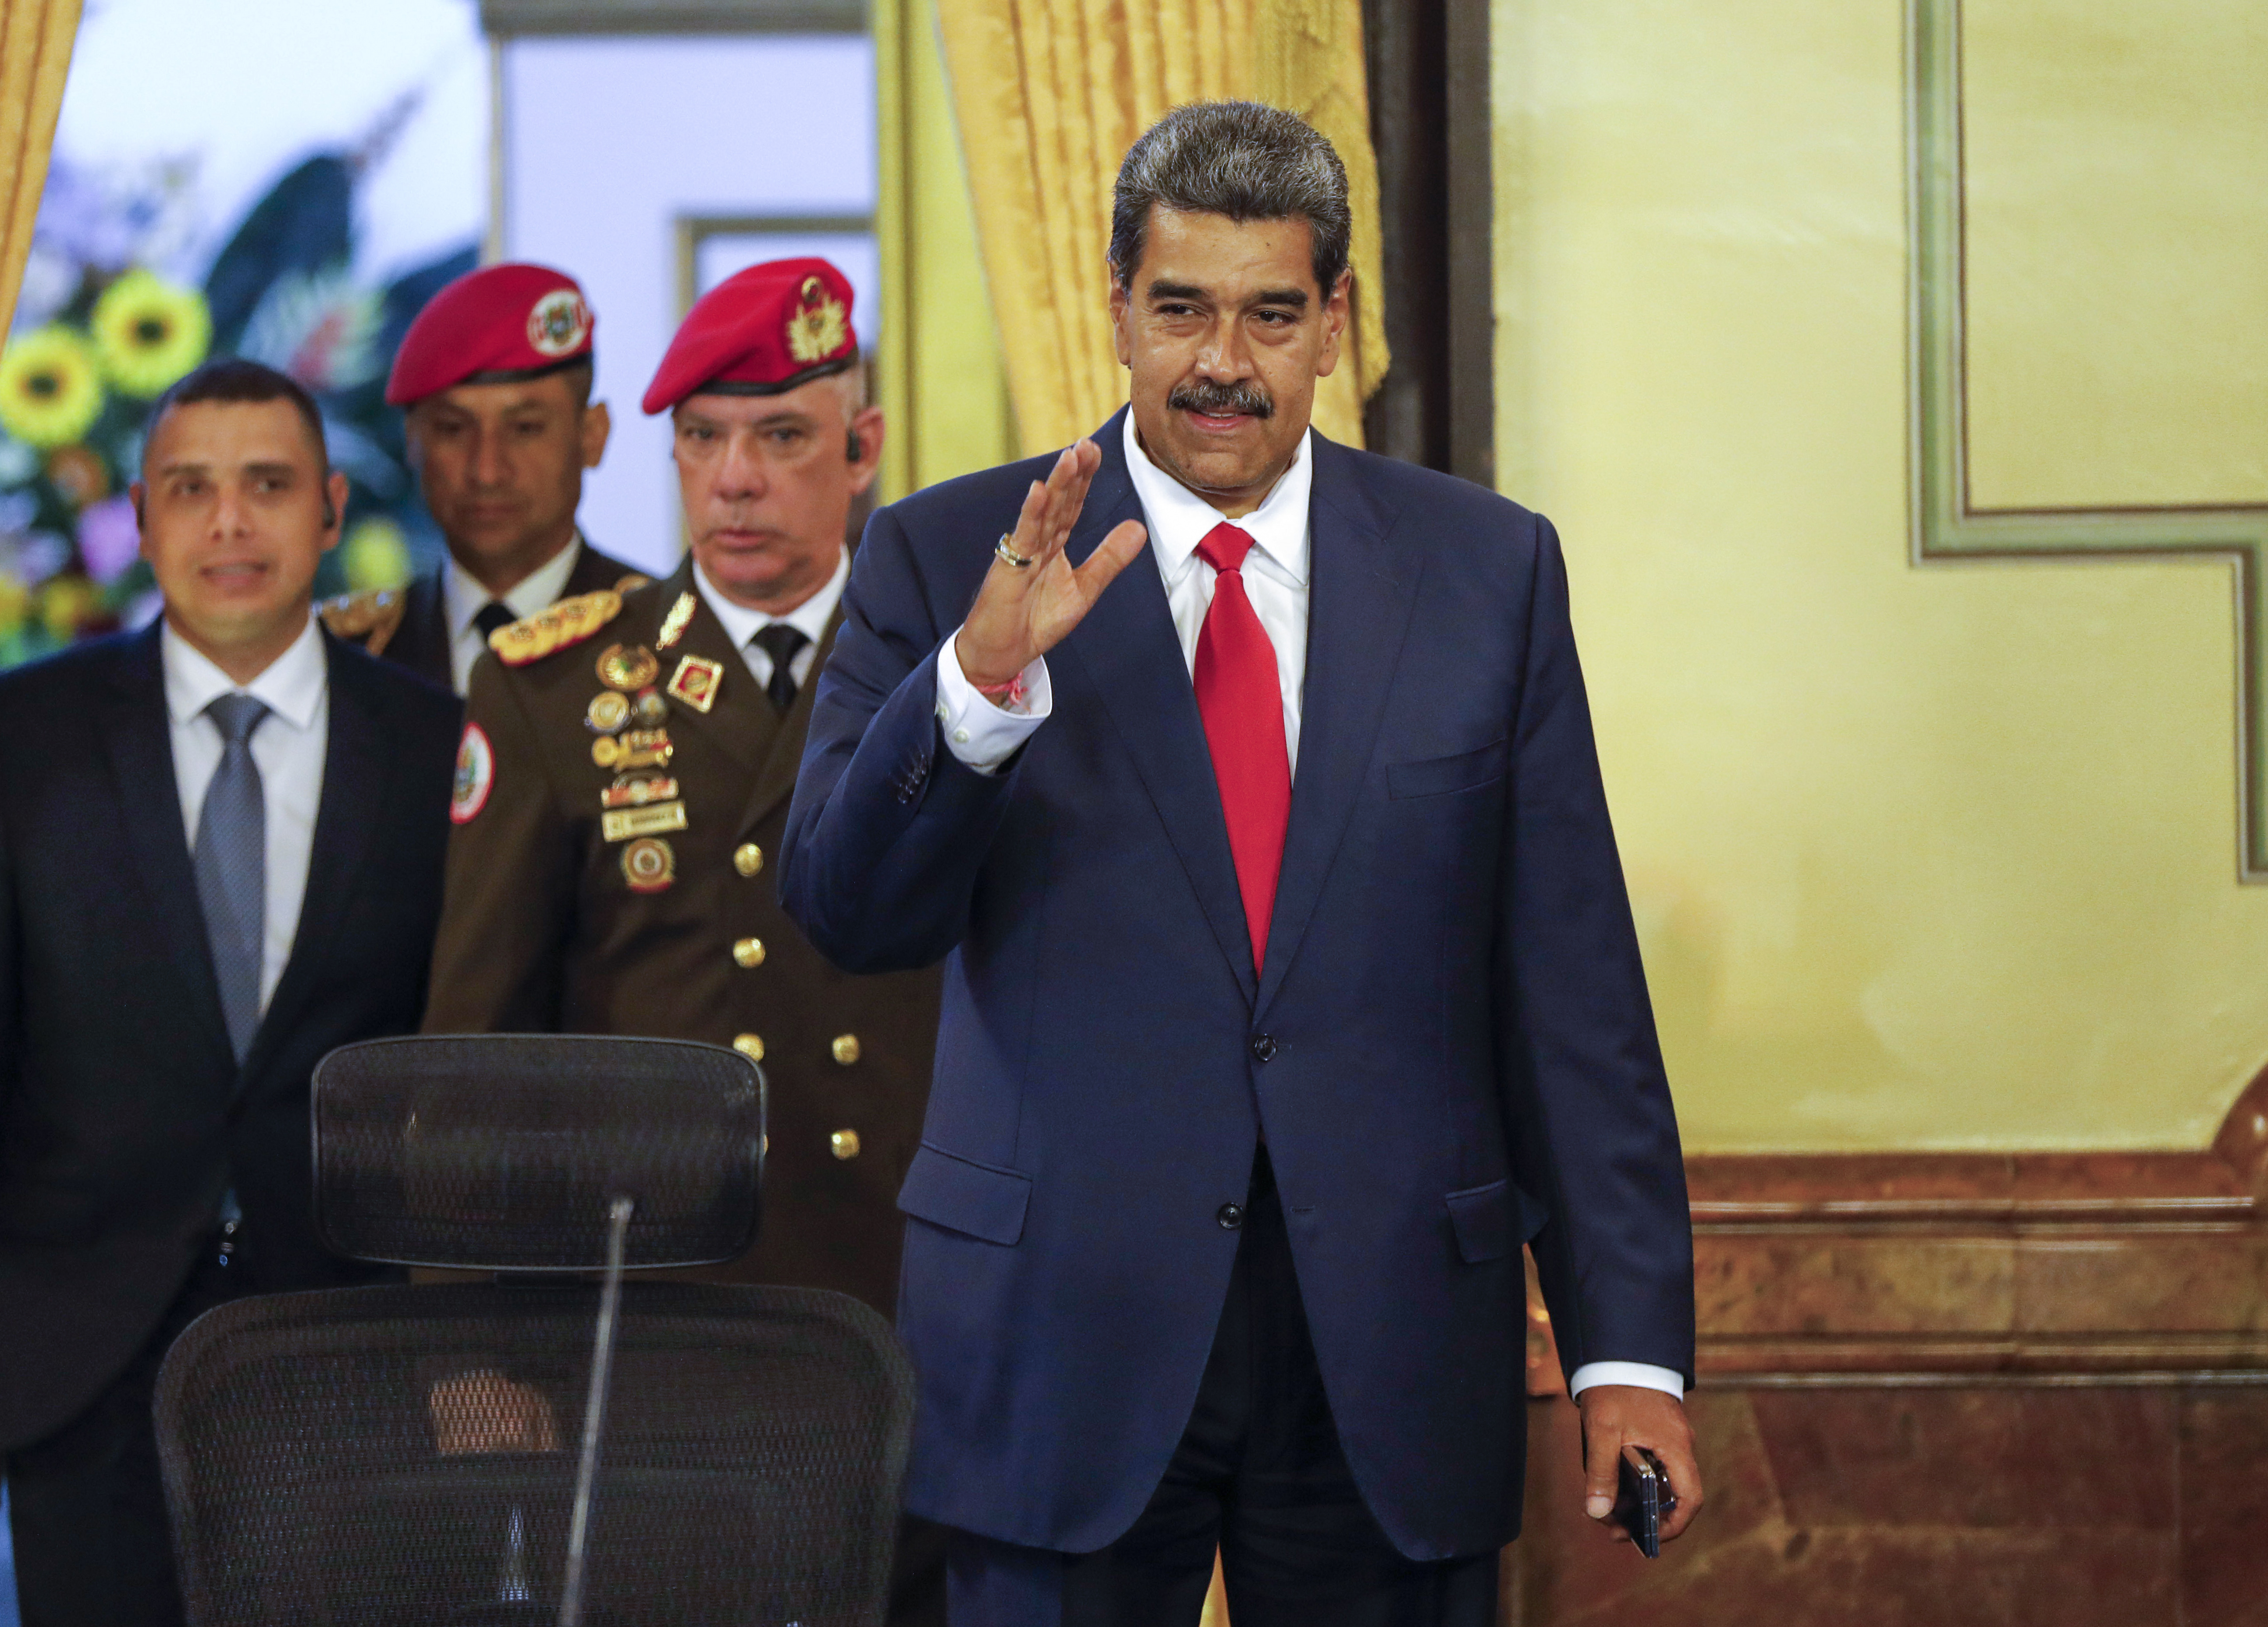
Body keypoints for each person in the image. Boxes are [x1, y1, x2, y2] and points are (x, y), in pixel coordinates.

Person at [780, 102, 1702, 1626]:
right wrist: (976, 691)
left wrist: (1627, 1351)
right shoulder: (950, 559)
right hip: (1061, 1337)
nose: (1222, 361)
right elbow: (847, 912)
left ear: (1334, 322)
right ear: (1115, 310)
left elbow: (1570, 989)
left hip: (1391, 1340)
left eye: (1270, 314)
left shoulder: (1486, 570)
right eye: (1181, 310)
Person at [0, 360, 462, 1627]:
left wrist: (486, 1343)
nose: (229, 523)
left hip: (355, 1347)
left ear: (330, 509)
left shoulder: (438, 743)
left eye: (267, 485)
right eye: (191, 490)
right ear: (141, 518)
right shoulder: (15, 739)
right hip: (76, 1359)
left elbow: (474, 1056)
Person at [422, 256, 946, 1624]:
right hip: (651, 1329)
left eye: (780, 437)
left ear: (861, 449)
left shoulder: (954, 672)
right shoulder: (556, 687)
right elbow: (477, 1039)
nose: (735, 481)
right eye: (702, 439)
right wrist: (473, 1341)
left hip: (914, 1308)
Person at [323, 263, 643, 692]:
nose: (487, 472)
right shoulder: (345, 660)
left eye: (525, 429)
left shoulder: (674, 641)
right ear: (413, 441)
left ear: (592, 436)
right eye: (453, 430)